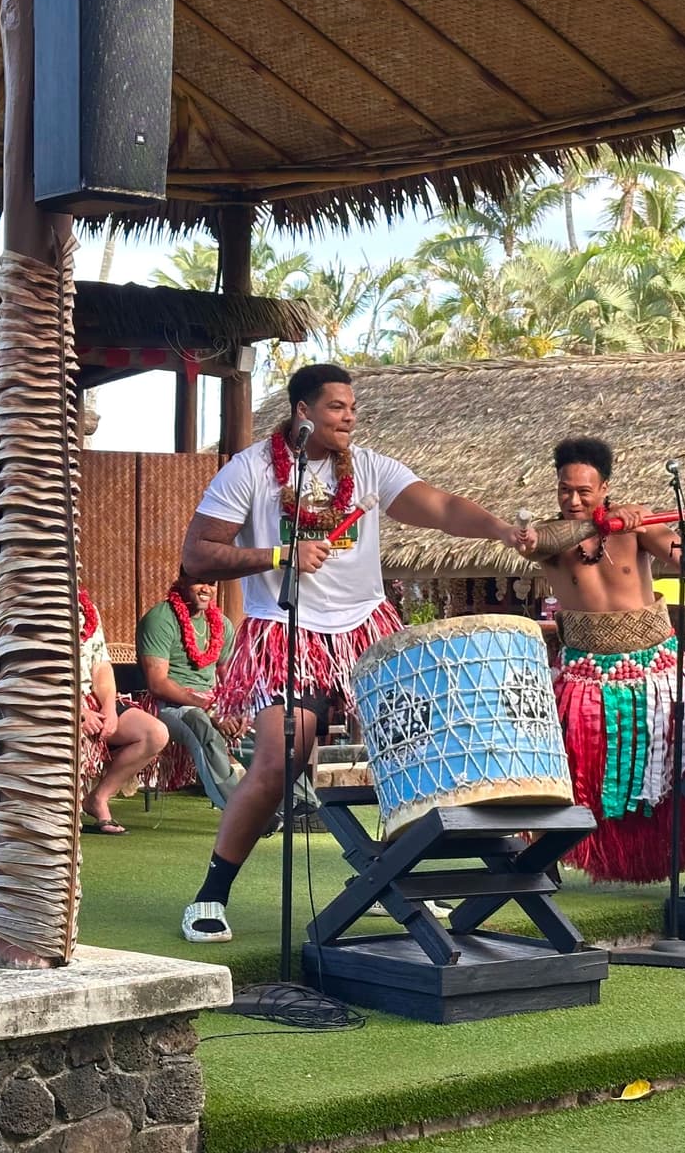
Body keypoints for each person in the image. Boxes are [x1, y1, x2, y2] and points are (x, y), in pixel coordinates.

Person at [175, 362, 535, 942]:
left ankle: (401, 879)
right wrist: (279, 557)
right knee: (278, 763)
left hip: (365, 629)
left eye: (351, 406)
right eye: (338, 406)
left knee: (413, 753)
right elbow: (198, 555)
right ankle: (211, 895)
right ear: (303, 412)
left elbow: (439, 507)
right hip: (286, 633)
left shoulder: (368, 468)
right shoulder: (250, 471)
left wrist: (498, 530)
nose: (350, 415)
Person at [536, 436, 685, 884]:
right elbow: (530, 542)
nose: (573, 499)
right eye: (565, 489)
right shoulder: (548, 540)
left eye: (584, 492)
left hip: (658, 675)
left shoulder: (637, 527)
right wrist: (598, 525)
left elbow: (684, 555)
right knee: (570, 771)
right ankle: (546, 866)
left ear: (604, 488)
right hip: (586, 680)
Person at [138, 576, 244, 810]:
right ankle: (239, 811)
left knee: (262, 727)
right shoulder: (161, 619)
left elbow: (228, 676)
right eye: (199, 582)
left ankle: (296, 802)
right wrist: (210, 708)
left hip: (212, 703)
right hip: (168, 706)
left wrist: (236, 708)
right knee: (201, 725)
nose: (207, 588)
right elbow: (157, 683)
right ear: (183, 581)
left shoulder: (222, 624)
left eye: (212, 583)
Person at [77, 586, 170, 834]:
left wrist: (109, 707)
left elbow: (101, 666)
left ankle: (98, 798)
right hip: (52, 702)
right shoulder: (34, 611)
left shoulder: (87, 609)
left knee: (155, 733)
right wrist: (77, 711)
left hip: (93, 699)